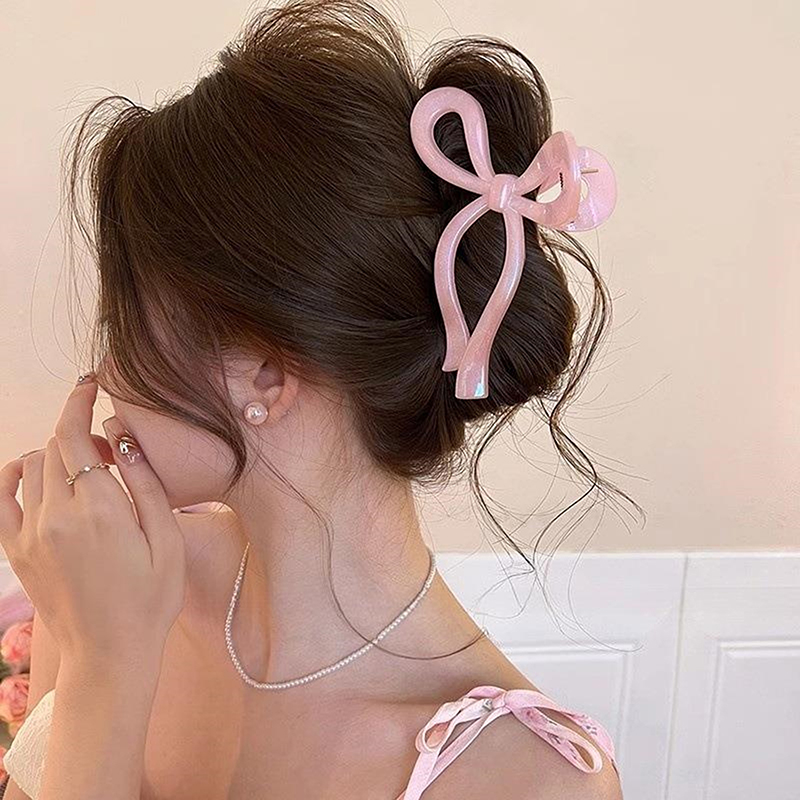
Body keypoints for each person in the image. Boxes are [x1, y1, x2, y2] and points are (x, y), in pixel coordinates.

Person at [0, 0, 633, 797]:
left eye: (122, 322)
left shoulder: (525, 780)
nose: (106, 375)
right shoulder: (119, 582)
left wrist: (109, 664)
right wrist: (102, 659)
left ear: (266, 373)